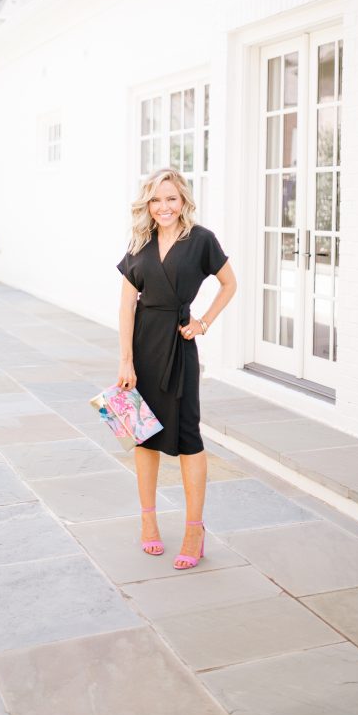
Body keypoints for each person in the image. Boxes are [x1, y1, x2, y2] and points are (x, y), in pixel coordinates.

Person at [116, 167, 237, 570]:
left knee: (188, 437)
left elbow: (229, 283)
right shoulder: (140, 242)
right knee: (143, 436)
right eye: (155, 199)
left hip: (180, 347)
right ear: (146, 205)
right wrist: (125, 360)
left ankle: (194, 529)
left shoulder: (201, 240)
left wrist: (203, 322)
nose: (163, 207)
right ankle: (147, 522)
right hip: (143, 348)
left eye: (170, 198)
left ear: (182, 200)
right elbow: (126, 305)